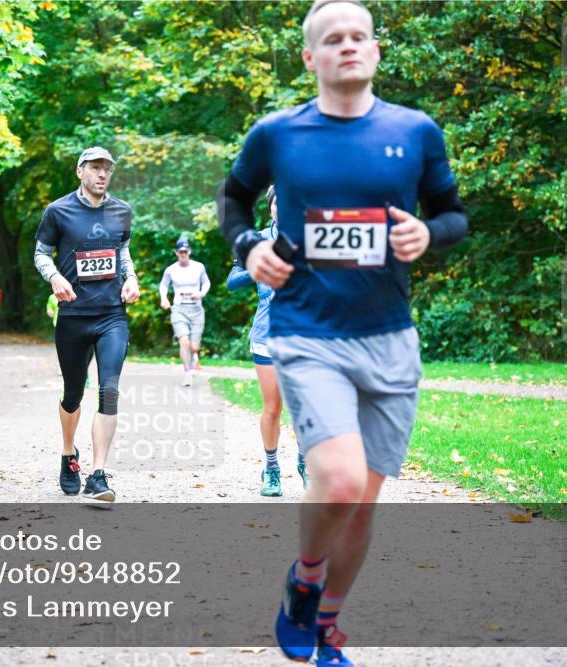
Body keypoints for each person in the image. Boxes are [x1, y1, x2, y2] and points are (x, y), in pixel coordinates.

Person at [217, 1, 468, 663]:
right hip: (307, 331)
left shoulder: (415, 131)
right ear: (311, 57)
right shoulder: (278, 134)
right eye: (333, 39)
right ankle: (304, 576)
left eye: (360, 36)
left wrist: (429, 234)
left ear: (376, 50)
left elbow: (453, 215)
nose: (348, 46)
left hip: (389, 337)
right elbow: (233, 198)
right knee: (340, 477)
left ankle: (325, 624)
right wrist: (248, 247)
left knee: (364, 501)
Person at [34, 146, 140, 502]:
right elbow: (40, 253)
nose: (102, 174)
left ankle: (98, 475)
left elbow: (122, 251)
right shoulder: (58, 211)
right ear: (80, 171)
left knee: (109, 389)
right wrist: (54, 277)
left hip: (112, 315)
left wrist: (131, 277)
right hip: (74, 315)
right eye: (95, 167)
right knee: (73, 394)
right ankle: (69, 454)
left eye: (107, 168)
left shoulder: (121, 210)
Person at [226, 185, 308, 497]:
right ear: (270, 207)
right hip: (266, 335)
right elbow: (232, 281)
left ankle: (306, 464)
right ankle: (271, 469)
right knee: (273, 407)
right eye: (278, 203)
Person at [159, 238, 210, 386]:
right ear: (176, 252)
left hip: (196, 310)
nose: (183, 254)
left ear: (189, 251)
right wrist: (164, 298)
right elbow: (163, 285)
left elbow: (206, 282)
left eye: (185, 251)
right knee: (184, 342)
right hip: (179, 310)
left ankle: (194, 358)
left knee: (194, 346)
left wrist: (201, 293)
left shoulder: (199, 267)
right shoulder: (170, 270)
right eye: (180, 252)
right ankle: (187, 372)